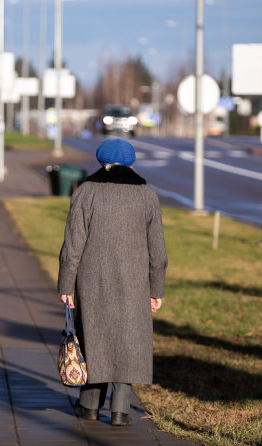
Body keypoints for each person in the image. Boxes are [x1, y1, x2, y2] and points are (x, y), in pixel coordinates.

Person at [57, 138, 168, 426]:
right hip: (135, 283)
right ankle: (120, 410)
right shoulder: (147, 196)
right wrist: (156, 289)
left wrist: (66, 286)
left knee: (94, 336)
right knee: (128, 339)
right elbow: (158, 253)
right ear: (130, 162)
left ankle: (89, 405)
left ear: (101, 161)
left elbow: (72, 246)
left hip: (92, 280)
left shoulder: (86, 192)